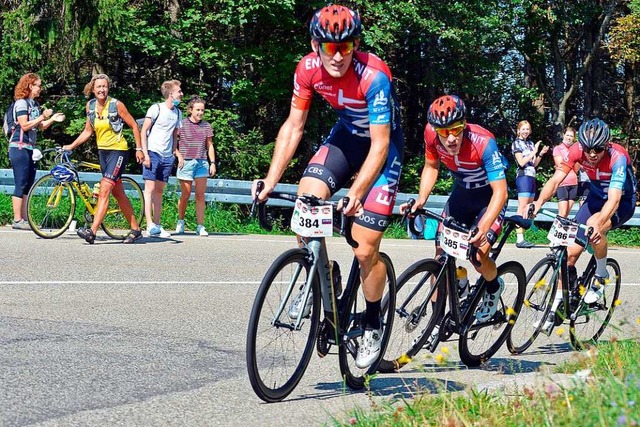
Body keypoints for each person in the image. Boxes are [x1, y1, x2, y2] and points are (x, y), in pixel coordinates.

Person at [252, 4, 404, 369]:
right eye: (329, 47)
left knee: (365, 248)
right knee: (306, 199)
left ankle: (371, 321)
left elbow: (381, 146)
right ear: (314, 44)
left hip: (383, 150)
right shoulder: (306, 69)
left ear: (355, 45)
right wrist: (271, 180)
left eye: (346, 46)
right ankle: (321, 271)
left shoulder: (374, 76)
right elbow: (293, 126)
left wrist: (357, 191)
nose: (337, 56)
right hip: (347, 139)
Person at [402, 94, 509, 323]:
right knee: (441, 255)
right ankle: (437, 318)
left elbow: (501, 192)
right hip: (462, 194)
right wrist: (421, 199)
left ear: (464, 124)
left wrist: (484, 226)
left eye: (456, 129)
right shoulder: (431, 135)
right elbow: (431, 166)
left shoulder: (483, 142)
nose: (450, 138)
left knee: (478, 256)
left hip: (489, 198)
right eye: (443, 132)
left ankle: (493, 287)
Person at [532, 118, 637, 305]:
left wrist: (599, 223)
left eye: (598, 149)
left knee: (595, 225)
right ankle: (560, 301)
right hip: (595, 198)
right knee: (569, 254)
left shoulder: (617, 157)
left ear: (606, 145)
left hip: (622, 202)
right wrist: (538, 202)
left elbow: (614, 199)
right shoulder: (576, 150)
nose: (592, 154)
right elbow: (556, 180)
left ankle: (601, 274)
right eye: (588, 149)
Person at [62, 74, 144, 244]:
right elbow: (87, 131)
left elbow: (134, 125)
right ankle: (135, 229)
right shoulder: (90, 106)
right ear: (93, 89)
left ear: (108, 88)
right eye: (98, 87)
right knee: (118, 193)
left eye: (104, 87)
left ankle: (91, 231)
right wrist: (71, 145)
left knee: (105, 190)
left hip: (118, 152)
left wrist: (139, 148)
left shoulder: (116, 105)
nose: (102, 90)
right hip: (103, 153)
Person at [7, 73, 65, 230]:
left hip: (29, 148)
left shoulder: (33, 105)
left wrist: (52, 119)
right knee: (21, 182)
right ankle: (17, 219)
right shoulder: (21, 103)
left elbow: (40, 126)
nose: (41, 88)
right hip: (19, 147)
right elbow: (24, 125)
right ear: (30, 86)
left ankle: (25, 219)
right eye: (38, 85)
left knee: (28, 183)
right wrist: (42, 117)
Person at [140, 80, 183, 238]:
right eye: (179, 91)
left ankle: (157, 225)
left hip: (167, 156)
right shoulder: (156, 108)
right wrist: (145, 153)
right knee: (149, 190)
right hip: (152, 152)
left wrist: (174, 153)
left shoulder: (178, 113)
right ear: (171, 94)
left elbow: (174, 134)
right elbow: (144, 130)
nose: (181, 94)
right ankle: (149, 225)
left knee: (159, 191)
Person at [175, 96, 216, 236]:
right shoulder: (181, 124)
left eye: (202, 110)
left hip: (201, 162)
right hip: (186, 162)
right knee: (185, 194)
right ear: (190, 110)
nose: (200, 113)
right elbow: (173, 142)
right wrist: (179, 155)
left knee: (200, 195)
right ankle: (180, 221)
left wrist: (213, 163)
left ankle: (200, 225)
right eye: (198, 110)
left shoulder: (206, 126)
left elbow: (209, 145)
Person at [511, 120, 549, 248]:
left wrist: (540, 154)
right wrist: (534, 152)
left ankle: (523, 236)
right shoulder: (516, 144)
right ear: (518, 130)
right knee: (522, 207)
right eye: (523, 129)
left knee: (529, 208)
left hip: (532, 175)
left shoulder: (530, 143)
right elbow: (521, 162)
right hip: (523, 177)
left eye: (527, 129)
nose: (525, 131)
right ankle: (519, 238)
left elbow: (534, 164)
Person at [552, 126, 580, 217]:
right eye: (567, 135)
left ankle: (562, 231)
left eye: (571, 136)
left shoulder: (575, 150)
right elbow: (561, 165)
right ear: (563, 135)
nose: (569, 138)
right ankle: (555, 231)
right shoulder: (558, 148)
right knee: (562, 213)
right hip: (563, 183)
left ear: (574, 138)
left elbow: (576, 168)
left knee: (567, 213)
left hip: (573, 183)